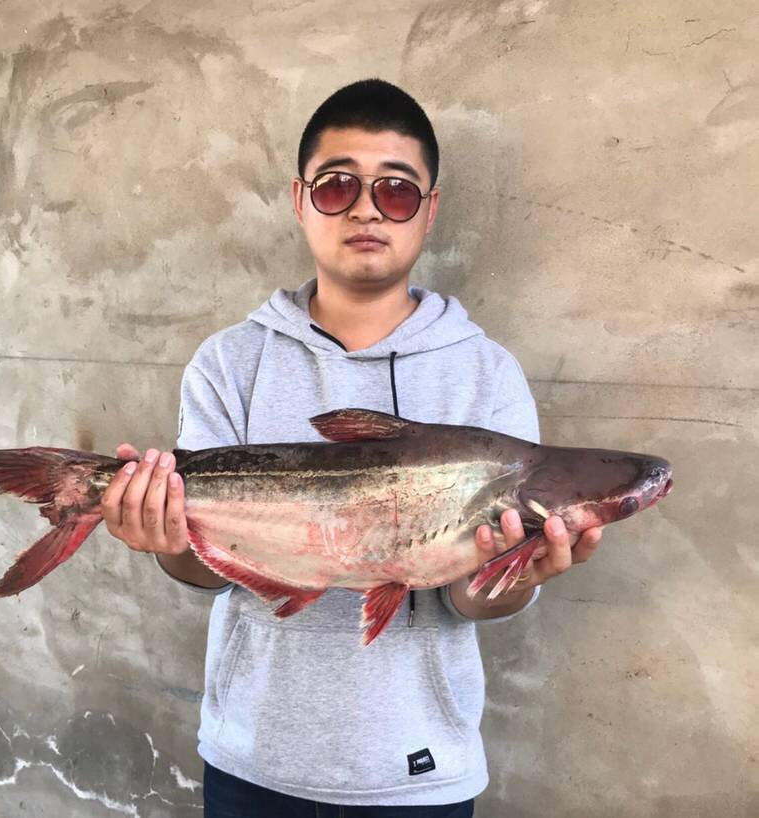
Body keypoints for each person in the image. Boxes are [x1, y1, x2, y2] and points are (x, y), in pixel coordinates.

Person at [100, 78, 603, 817]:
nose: (367, 208)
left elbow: (466, 598)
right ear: (300, 199)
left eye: (396, 191)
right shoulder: (228, 362)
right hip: (251, 758)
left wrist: (518, 575)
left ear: (429, 210)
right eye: (338, 186)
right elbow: (206, 572)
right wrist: (164, 539)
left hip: (421, 773)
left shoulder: (485, 374)